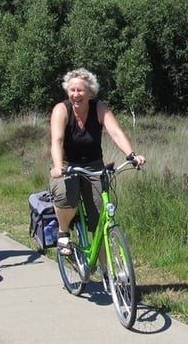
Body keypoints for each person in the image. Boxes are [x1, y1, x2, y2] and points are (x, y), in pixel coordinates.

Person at [49, 68, 146, 256]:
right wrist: (58, 166)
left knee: (100, 219)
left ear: (90, 92)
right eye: (72, 90)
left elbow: (116, 133)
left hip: (94, 166)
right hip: (67, 165)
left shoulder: (99, 108)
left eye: (80, 90)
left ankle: (107, 274)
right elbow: (57, 141)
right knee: (64, 195)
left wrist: (132, 155)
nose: (76, 95)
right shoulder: (61, 110)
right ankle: (63, 232)